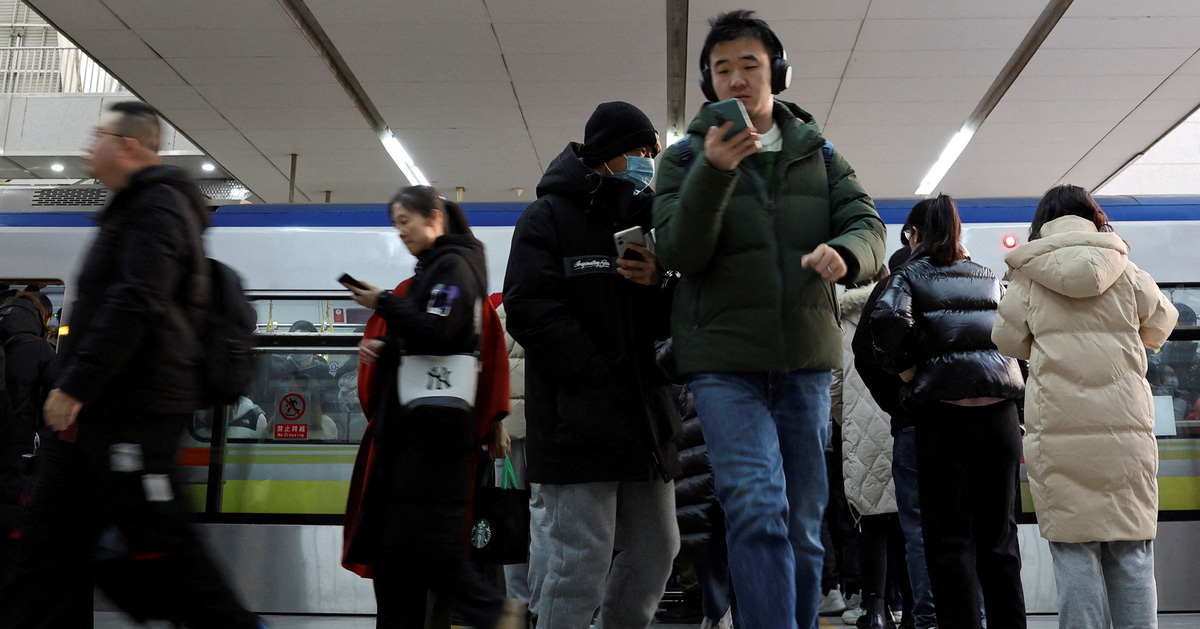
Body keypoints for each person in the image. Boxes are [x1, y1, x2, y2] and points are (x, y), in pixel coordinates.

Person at [652, 10, 885, 629]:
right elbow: (677, 250)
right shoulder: (682, 160)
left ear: (776, 73)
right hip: (724, 367)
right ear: (708, 83)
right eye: (721, 69)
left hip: (805, 364)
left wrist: (850, 254)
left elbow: (869, 225)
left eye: (749, 66)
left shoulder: (820, 152)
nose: (735, 80)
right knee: (757, 510)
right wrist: (714, 171)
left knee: (804, 525)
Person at [0, 101, 260, 627]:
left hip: (131, 416)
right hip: (95, 419)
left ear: (129, 146)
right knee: (46, 553)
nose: (87, 146)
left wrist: (74, 385)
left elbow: (138, 299)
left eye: (98, 135)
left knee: (167, 549)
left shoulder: (159, 205)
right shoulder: (134, 207)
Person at [502, 100, 681, 629]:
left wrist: (660, 281)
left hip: (644, 423)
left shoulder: (647, 219)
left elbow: (671, 318)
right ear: (607, 154)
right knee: (576, 565)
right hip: (576, 424)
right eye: (640, 150)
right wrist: (593, 373)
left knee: (658, 552)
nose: (649, 159)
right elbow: (528, 308)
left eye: (653, 150)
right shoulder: (546, 218)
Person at [992, 184, 1178, 629]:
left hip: (1059, 436)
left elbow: (1007, 340)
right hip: (1125, 436)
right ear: (1093, 217)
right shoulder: (1128, 271)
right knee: (1131, 553)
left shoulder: (1030, 277)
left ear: (1043, 225)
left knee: (1074, 556)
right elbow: (1164, 322)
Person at [341, 185, 523, 629]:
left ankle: (493, 609)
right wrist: (388, 345)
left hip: (431, 433)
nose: (400, 232)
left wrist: (382, 303)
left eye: (405, 221)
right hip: (421, 432)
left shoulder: (450, 270)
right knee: (408, 543)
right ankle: (488, 608)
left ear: (434, 219)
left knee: (427, 541)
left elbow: (441, 332)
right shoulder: (439, 273)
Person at [868, 194, 1026, 629]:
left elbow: (884, 324)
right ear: (959, 231)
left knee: (949, 544)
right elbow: (1018, 340)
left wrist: (908, 376)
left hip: (945, 420)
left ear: (914, 235)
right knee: (999, 543)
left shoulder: (908, 276)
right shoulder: (988, 276)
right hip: (1001, 422)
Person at [853, 244, 938, 629]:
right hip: (943, 421)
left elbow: (846, 373)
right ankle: (928, 613)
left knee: (884, 525)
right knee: (935, 527)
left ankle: (882, 610)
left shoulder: (855, 313)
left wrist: (895, 403)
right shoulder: (969, 282)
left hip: (877, 426)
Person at [832, 266, 906, 629]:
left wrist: (847, 422)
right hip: (905, 424)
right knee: (909, 523)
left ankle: (875, 610)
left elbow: (832, 382)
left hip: (861, 431)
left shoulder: (839, 317)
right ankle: (910, 606)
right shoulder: (902, 303)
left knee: (871, 524)